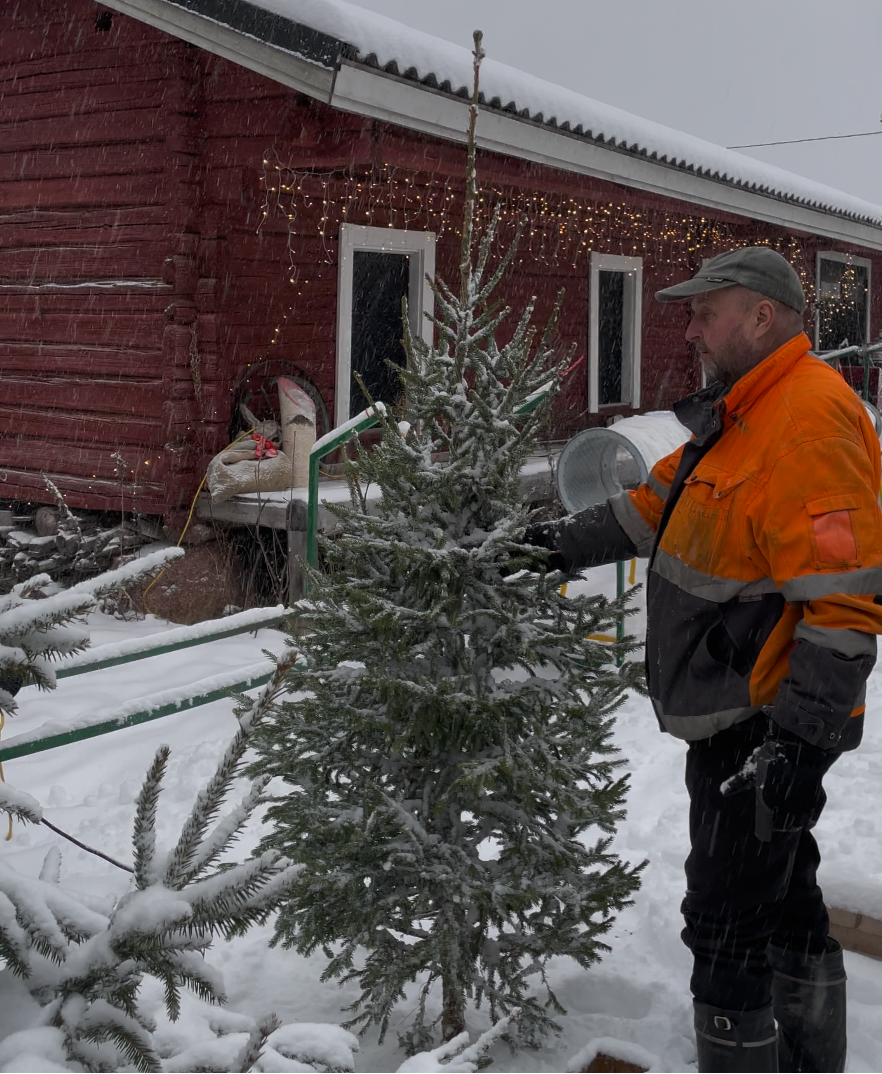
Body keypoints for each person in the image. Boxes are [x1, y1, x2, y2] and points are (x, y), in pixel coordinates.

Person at [526, 247, 882, 1073]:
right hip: (737, 714)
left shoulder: (810, 423)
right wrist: (550, 547)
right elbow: (656, 506)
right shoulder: (742, 412)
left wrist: (796, 749)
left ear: (761, 316)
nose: (688, 329)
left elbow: (844, 604)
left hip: (760, 726)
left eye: (703, 312)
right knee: (786, 899)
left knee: (724, 921)